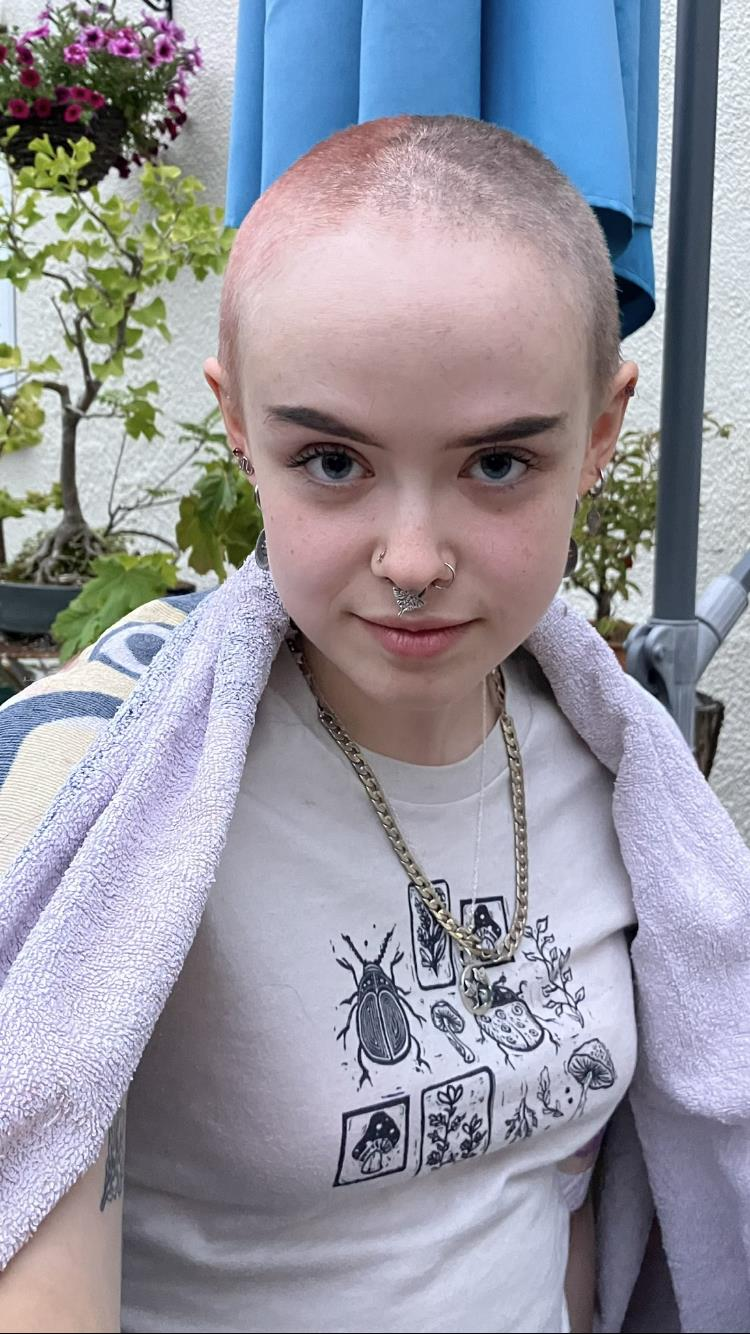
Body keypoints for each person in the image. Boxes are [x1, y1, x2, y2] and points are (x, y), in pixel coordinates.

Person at [1, 116, 748, 1334]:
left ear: (601, 431)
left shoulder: (613, 782)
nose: (411, 561)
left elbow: (556, 1200)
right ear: (240, 425)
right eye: (333, 461)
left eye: (497, 464)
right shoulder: (115, 811)